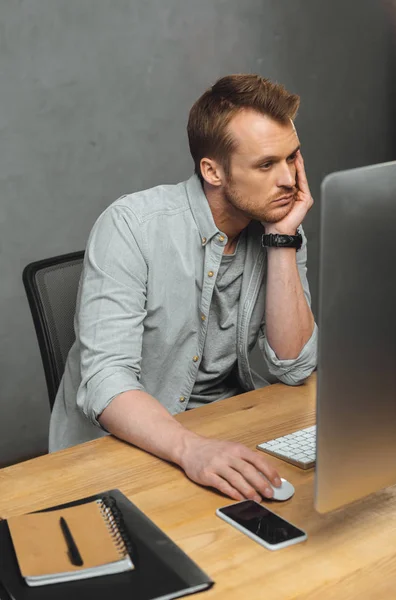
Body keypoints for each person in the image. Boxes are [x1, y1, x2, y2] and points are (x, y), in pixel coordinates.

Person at [49, 74, 317, 503]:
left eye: (292, 158)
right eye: (266, 165)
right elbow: (104, 379)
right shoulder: (131, 226)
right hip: (127, 449)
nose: (288, 180)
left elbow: (295, 366)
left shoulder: (278, 225)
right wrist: (192, 449)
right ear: (212, 170)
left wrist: (282, 238)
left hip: (221, 432)